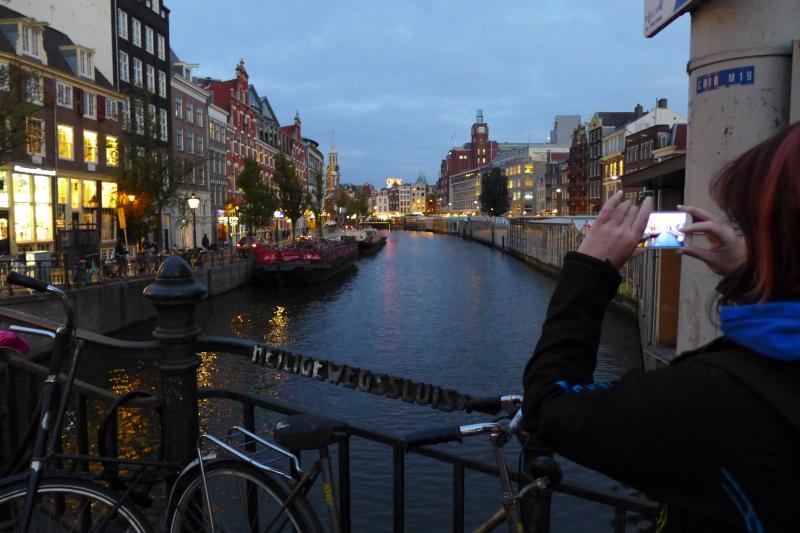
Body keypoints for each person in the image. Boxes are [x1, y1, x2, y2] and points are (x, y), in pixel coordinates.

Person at [522, 123, 800, 532]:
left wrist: (588, 272)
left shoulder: (711, 400)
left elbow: (549, 406)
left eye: (750, 226)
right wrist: (758, 276)